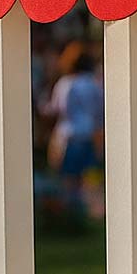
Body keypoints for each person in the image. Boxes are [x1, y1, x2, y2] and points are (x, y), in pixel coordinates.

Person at [43, 41, 104, 195]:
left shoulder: (65, 84)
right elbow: (99, 113)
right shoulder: (95, 83)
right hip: (90, 137)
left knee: (68, 184)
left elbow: (55, 109)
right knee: (90, 183)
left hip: (68, 137)